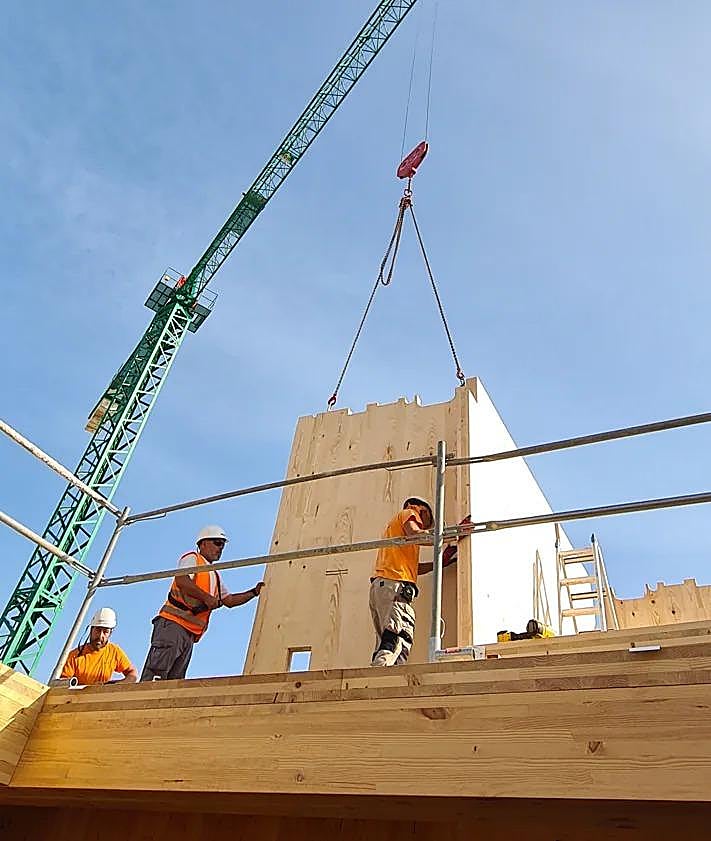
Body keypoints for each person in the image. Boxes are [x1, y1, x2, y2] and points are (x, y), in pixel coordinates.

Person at [140, 525, 264, 681]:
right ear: (203, 543)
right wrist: (206, 598)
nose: (221, 548)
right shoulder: (192, 558)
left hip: (189, 634)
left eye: (223, 545)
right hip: (173, 625)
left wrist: (253, 592)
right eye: (217, 543)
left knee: (174, 682)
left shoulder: (215, 576)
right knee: (156, 677)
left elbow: (230, 600)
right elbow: (182, 579)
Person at [369, 498, 463, 667]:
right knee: (398, 636)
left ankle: (383, 676)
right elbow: (415, 533)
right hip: (394, 587)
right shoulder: (410, 512)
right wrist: (454, 533)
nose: (424, 528)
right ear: (422, 511)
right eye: (425, 524)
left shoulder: (396, 536)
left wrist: (440, 563)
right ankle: (381, 677)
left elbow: (415, 568)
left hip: (383, 588)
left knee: (388, 641)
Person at [61, 607, 138, 685]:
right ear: (91, 630)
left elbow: (132, 673)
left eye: (105, 632)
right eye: (98, 630)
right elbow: (61, 684)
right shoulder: (74, 656)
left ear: (110, 633)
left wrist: (116, 685)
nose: (101, 635)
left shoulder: (114, 652)